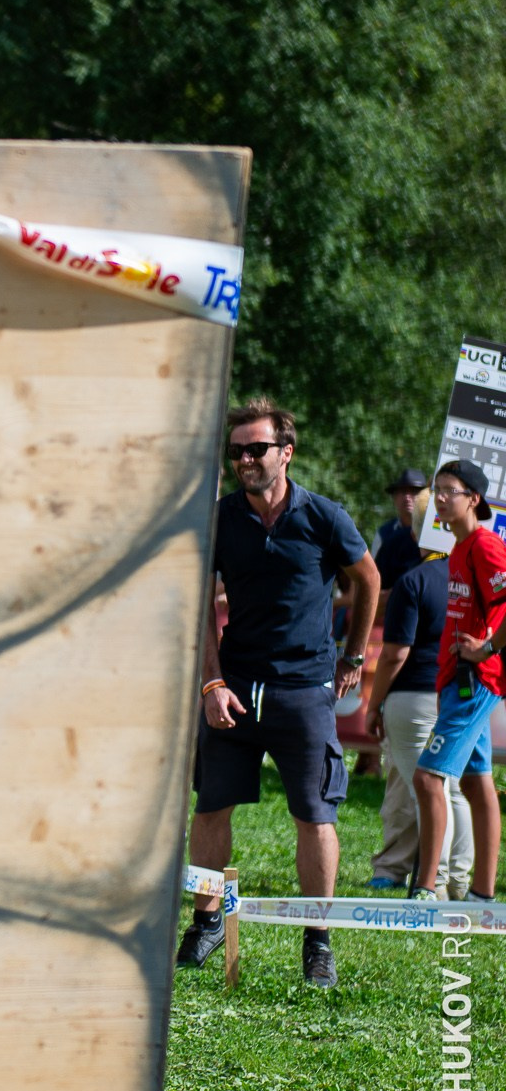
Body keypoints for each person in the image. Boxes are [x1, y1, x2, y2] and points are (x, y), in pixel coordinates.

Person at [180, 398, 377, 989]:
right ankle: (206, 921)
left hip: (304, 689)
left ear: (285, 452)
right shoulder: (219, 518)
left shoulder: (323, 516)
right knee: (211, 807)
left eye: (256, 448)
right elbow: (196, 602)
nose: (245, 459)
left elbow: (367, 579)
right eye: (236, 450)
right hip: (234, 687)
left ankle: (317, 942)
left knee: (315, 815)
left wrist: (354, 657)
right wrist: (210, 682)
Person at [406, 460, 506, 905]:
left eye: (449, 490)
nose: (439, 498)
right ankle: (482, 894)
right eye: (437, 489)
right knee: (475, 783)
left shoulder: (485, 545)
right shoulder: (458, 548)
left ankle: (425, 889)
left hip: (477, 680)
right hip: (456, 680)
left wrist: (486, 648)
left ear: (474, 499)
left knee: (429, 779)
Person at [364, 549, 472, 897]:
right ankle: (458, 881)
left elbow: (395, 653)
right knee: (452, 790)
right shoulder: (477, 580)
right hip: (462, 696)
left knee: (430, 792)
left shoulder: (414, 581)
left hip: (415, 697)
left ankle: (434, 884)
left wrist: (374, 704)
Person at [372, 468, 428, 585]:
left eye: (414, 491)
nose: (407, 497)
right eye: (402, 492)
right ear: (394, 498)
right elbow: (373, 576)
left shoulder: (436, 532)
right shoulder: (383, 534)